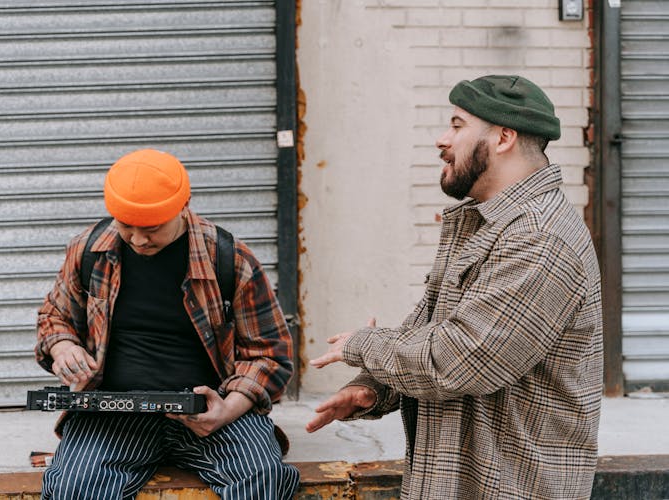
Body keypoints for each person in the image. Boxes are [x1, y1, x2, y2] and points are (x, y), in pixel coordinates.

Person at [306, 75, 603, 499]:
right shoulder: (485, 226)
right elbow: (436, 334)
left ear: (503, 138)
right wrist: (374, 389)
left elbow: (462, 359)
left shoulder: (540, 239)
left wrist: (364, 344)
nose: (442, 139)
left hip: (511, 487)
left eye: (458, 125)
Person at [35, 148, 300, 499]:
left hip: (211, 407)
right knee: (73, 488)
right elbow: (55, 317)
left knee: (262, 480)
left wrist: (227, 410)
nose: (138, 239)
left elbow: (269, 355)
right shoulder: (88, 251)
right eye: (125, 226)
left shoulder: (229, 258)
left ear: (184, 204)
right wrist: (63, 347)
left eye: (151, 228)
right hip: (114, 410)